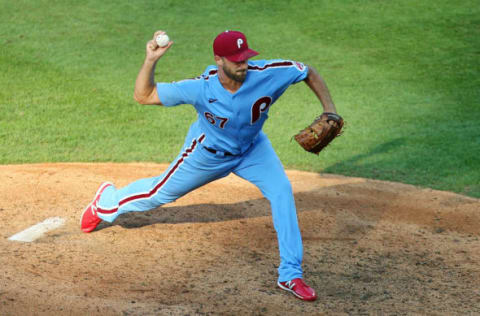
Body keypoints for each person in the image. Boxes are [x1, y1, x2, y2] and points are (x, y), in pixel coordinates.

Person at [81, 29, 338, 301]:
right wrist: (150, 60)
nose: (243, 64)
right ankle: (105, 203)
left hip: (254, 151)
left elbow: (307, 71)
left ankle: (291, 274)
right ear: (219, 60)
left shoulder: (268, 73)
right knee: (157, 193)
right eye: (236, 60)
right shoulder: (201, 87)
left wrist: (329, 110)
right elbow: (144, 96)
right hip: (207, 154)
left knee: (282, 192)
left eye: (246, 57)